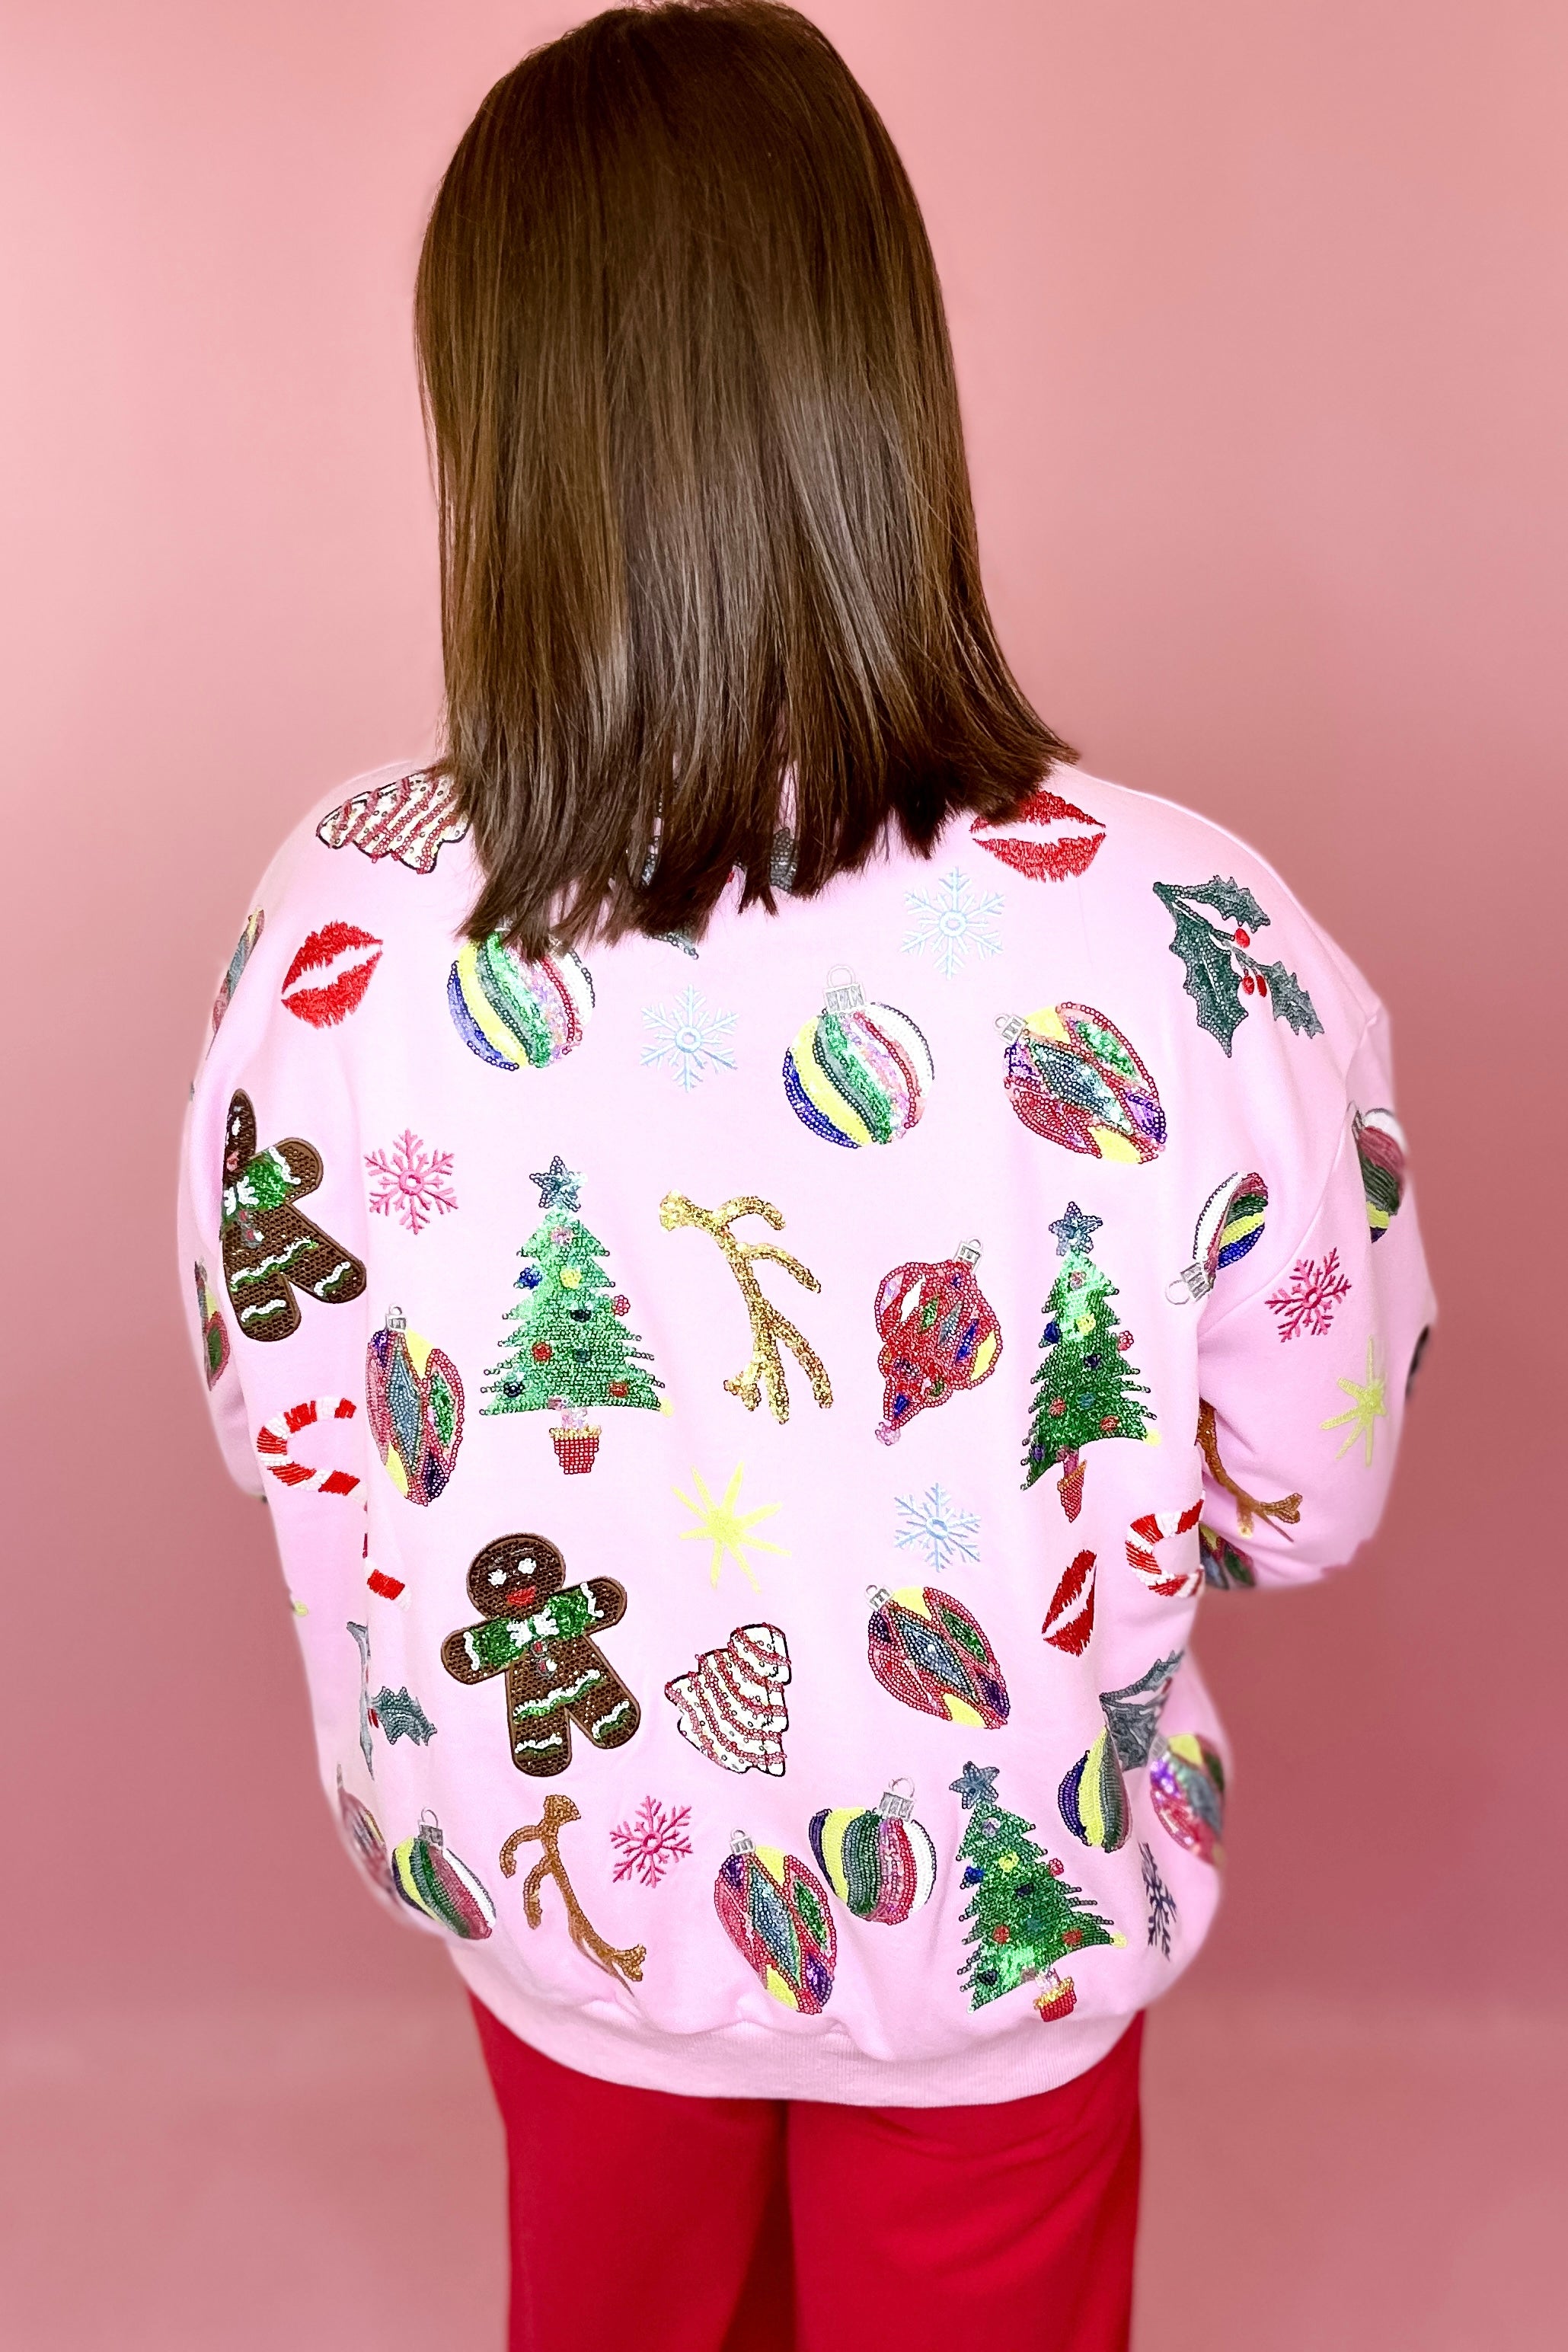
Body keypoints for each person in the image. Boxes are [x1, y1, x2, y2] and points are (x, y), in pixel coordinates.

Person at [178, 6, 1435, 2345]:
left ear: (499, 427)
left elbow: (287, 1411)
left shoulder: (339, 913)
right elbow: (1310, 1483)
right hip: (1001, 1909)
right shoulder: (1183, 930)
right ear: (878, 378)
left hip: (568, 1914)